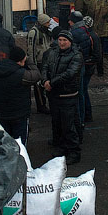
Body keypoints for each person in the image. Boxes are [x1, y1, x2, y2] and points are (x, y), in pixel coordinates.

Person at [41, 27, 82, 165]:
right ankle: (61, 146)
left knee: (68, 125)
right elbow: (45, 67)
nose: (62, 43)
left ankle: (74, 152)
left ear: (70, 41)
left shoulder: (76, 55)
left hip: (68, 95)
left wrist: (51, 82)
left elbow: (70, 74)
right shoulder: (53, 53)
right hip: (54, 94)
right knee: (57, 122)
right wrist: (45, 81)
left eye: (65, 40)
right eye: (60, 40)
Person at [0, 45, 41, 143]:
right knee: (19, 144)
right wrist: (29, 60)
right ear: (21, 61)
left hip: (0, 113)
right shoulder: (22, 74)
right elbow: (36, 75)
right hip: (19, 115)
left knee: (4, 143)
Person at [69, 10, 101, 124]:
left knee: (81, 92)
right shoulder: (87, 32)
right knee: (84, 91)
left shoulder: (76, 33)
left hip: (84, 66)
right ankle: (87, 115)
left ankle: (83, 117)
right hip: (88, 65)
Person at [25, 12, 55, 114]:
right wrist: (33, 65)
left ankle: (45, 104)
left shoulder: (46, 32)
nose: (49, 25)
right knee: (38, 86)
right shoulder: (34, 32)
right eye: (47, 23)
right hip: (38, 62)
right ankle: (41, 105)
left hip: (46, 61)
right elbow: (31, 50)